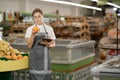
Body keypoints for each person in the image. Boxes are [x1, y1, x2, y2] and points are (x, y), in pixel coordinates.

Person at [25, 8, 56, 80]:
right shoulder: (30, 29)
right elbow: (29, 45)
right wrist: (33, 34)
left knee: (45, 77)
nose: (37, 19)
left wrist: (49, 45)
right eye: (35, 17)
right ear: (33, 18)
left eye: (39, 16)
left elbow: (53, 43)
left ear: (42, 16)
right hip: (34, 58)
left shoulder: (49, 29)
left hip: (45, 58)